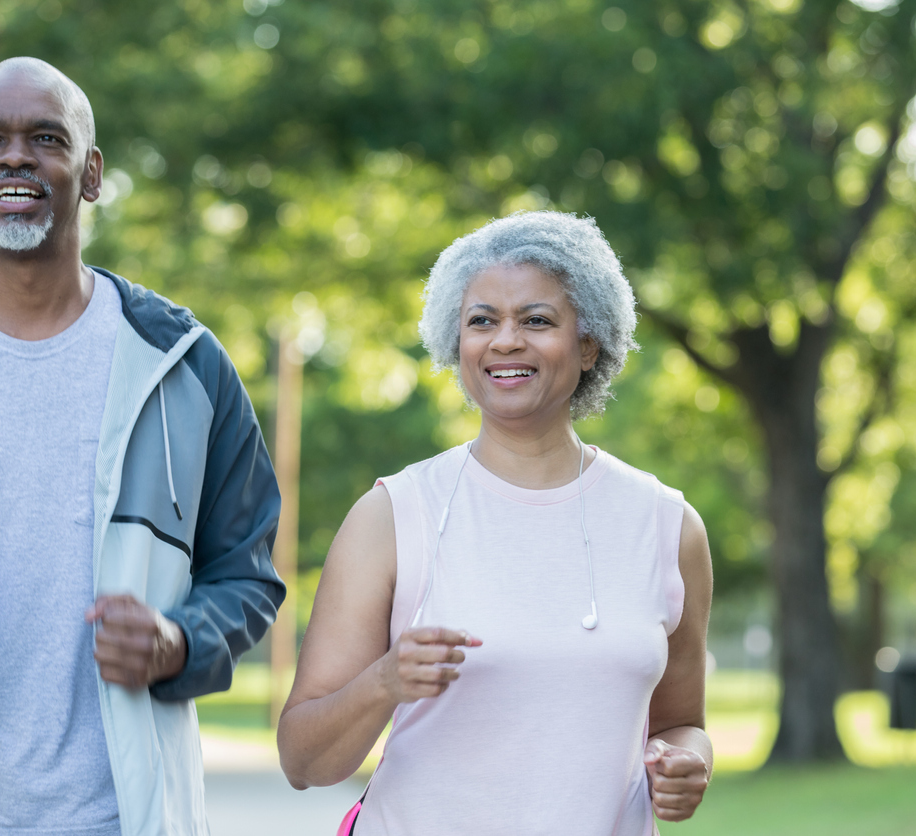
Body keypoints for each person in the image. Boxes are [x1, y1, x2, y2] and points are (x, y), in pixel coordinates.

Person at [0, 57, 283, 836]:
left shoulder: (186, 367)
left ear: (91, 173)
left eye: (46, 138)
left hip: (121, 817)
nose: (15, 157)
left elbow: (248, 574)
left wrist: (179, 642)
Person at [277, 211, 713, 835]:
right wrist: (384, 681)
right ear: (455, 342)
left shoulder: (668, 525)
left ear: (589, 344)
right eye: (482, 321)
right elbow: (303, 762)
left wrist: (687, 764)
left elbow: (681, 723)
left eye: (537, 320)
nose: (505, 341)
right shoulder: (393, 515)